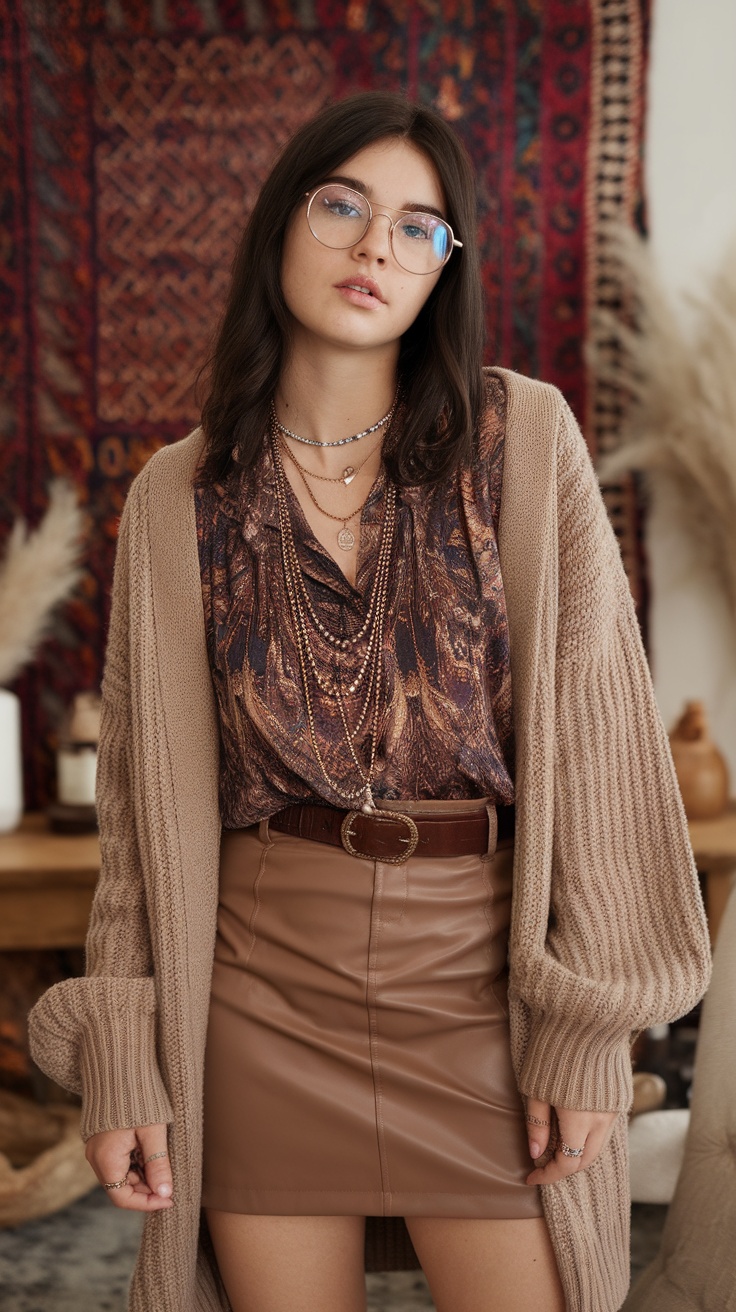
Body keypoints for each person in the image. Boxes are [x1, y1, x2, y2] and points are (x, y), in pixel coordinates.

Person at [28, 91, 711, 1312]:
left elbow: (606, 746)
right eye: (342, 204)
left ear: (445, 268)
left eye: (417, 226)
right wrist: (128, 1057)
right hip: (260, 989)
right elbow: (140, 821)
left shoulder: (520, 437)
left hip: (482, 983)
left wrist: (588, 1025)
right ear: (281, 224)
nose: (374, 247)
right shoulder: (179, 496)